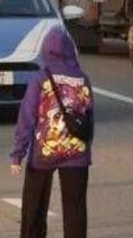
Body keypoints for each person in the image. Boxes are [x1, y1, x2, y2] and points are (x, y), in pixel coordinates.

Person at [11, 27, 94, 238]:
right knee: (75, 208)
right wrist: (85, 150)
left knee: (34, 205)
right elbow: (89, 119)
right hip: (77, 153)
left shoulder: (41, 77)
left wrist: (18, 153)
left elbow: (27, 117)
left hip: (45, 151)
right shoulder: (83, 79)